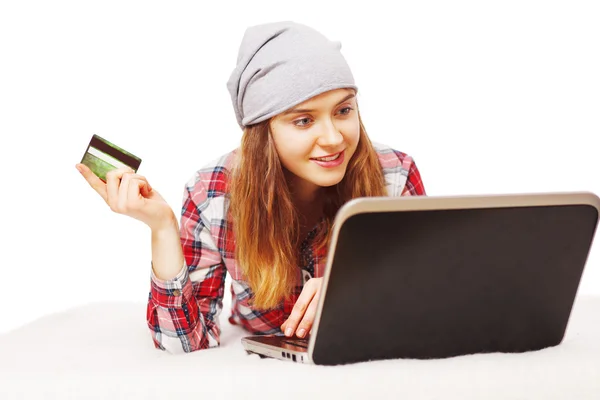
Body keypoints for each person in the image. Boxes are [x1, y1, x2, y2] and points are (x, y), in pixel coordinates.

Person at [75, 21, 426, 354]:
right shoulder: (213, 193)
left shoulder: (395, 175)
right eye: (304, 120)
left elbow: (429, 302)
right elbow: (183, 343)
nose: (334, 138)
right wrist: (162, 227)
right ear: (263, 131)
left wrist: (358, 284)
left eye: (344, 110)